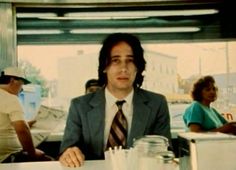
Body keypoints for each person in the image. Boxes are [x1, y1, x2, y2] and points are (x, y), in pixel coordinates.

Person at [59, 33, 172, 167]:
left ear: (138, 67)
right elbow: (66, 150)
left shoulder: (157, 104)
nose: (123, 68)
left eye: (130, 60)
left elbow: (165, 150)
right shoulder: (79, 106)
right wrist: (69, 153)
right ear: (105, 67)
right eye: (115, 60)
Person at [0, 66, 53, 163]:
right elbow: (22, 130)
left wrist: (26, 124)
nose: (22, 89)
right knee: (48, 160)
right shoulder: (10, 98)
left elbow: (4, 125)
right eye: (21, 84)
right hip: (7, 155)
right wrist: (32, 153)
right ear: (12, 80)